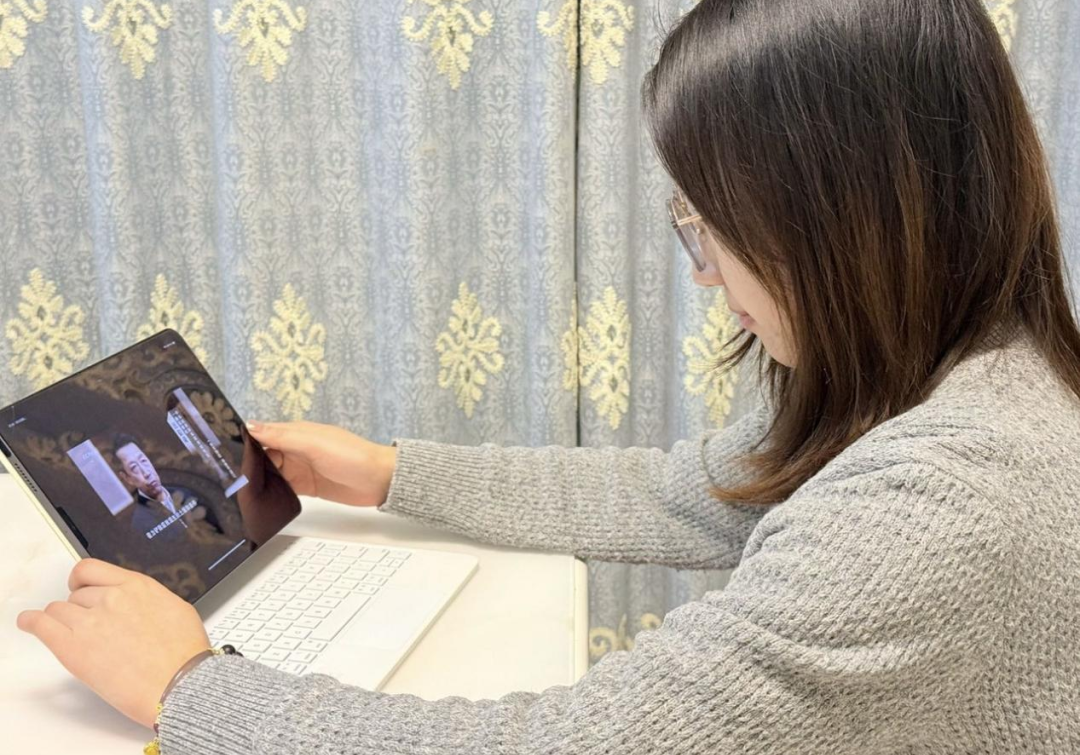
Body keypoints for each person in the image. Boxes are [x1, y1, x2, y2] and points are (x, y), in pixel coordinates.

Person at [15, 0, 1080, 751]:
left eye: (712, 227)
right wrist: (391, 471)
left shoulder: (944, 501)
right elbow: (694, 490)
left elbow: (574, 742)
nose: (706, 273)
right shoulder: (966, 376)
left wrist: (189, 689)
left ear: (837, 219)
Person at [113, 434, 224, 542]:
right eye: (134, 468)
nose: (146, 472)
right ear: (127, 478)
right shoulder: (140, 521)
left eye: (143, 461)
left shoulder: (186, 491)